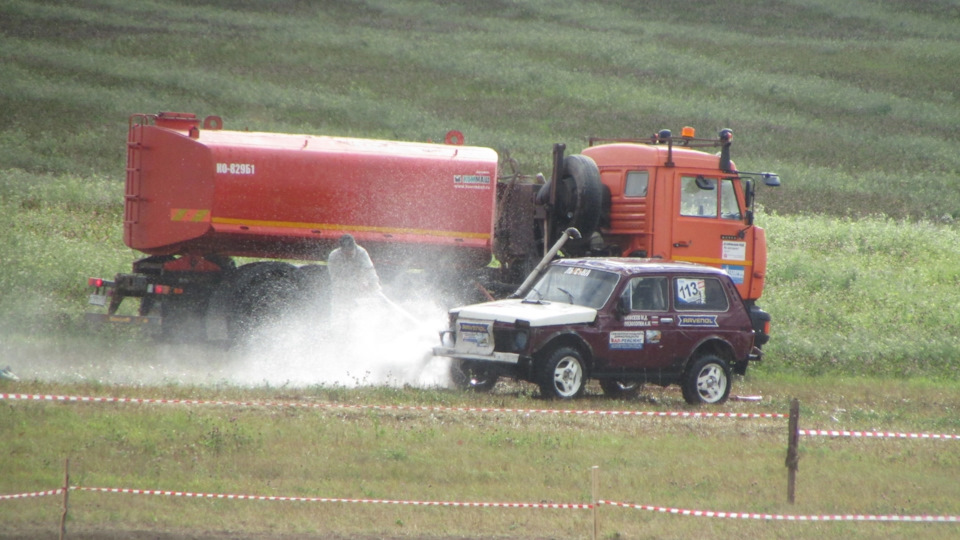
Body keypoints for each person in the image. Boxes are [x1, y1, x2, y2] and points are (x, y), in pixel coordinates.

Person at [327, 234, 381, 309]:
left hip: (358, 284)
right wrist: (350, 286)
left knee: (361, 307)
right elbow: (335, 277)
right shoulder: (334, 256)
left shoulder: (361, 253)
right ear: (341, 249)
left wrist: (373, 283)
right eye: (346, 251)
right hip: (341, 289)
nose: (349, 253)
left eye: (350, 250)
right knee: (341, 309)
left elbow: (369, 269)